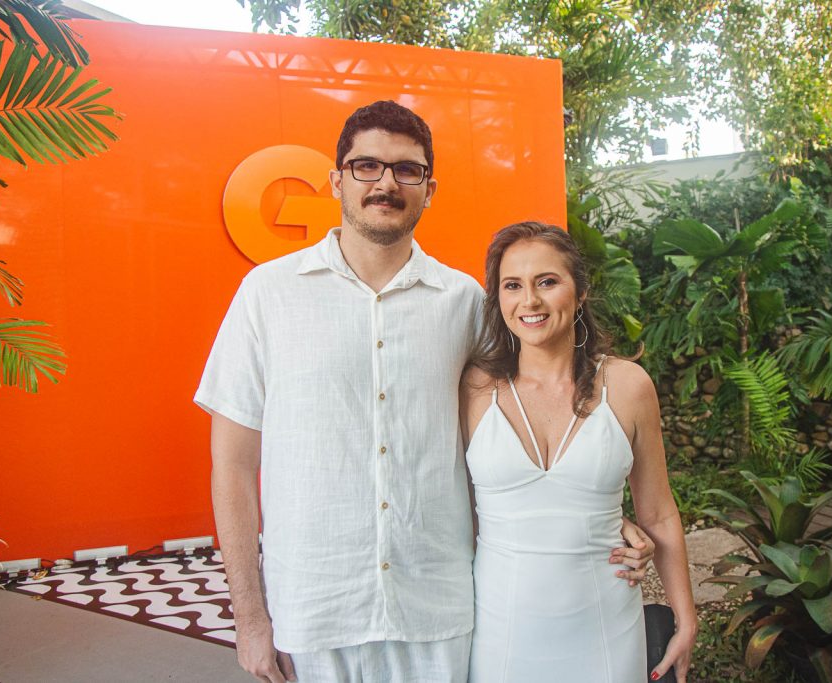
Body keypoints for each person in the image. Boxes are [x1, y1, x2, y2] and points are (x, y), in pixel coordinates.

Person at [195, 101, 655, 683]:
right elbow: (233, 466)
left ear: (428, 189)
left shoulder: (464, 303)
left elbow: (536, 407)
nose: (385, 183)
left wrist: (592, 514)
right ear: (336, 180)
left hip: (439, 612)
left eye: (406, 170)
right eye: (366, 166)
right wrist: (249, 617)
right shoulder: (268, 293)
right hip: (314, 611)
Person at [461, 222, 697, 683]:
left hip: (606, 627)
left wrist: (685, 620)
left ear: (581, 291)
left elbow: (659, 513)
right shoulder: (473, 388)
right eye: (513, 285)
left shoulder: (628, 386)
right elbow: (454, 504)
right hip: (499, 632)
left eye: (547, 282)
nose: (529, 301)